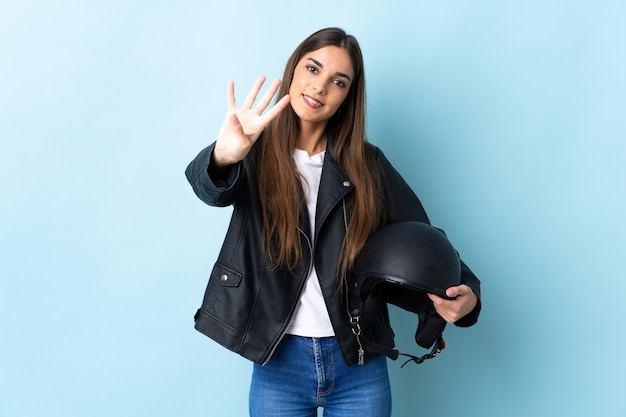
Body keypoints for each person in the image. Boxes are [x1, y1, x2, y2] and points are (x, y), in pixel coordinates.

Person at [185, 27, 481, 417]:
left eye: (337, 81)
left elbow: (423, 237)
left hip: (357, 361)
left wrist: (469, 295)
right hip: (278, 360)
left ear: (347, 97)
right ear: (294, 70)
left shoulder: (368, 165)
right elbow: (210, 189)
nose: (320, 87)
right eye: (312, 68)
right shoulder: (253, 152)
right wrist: (225, 155)